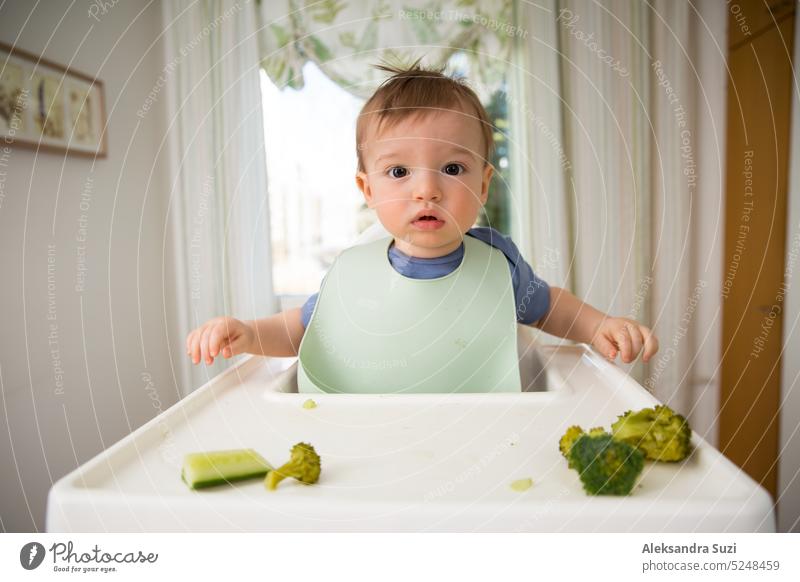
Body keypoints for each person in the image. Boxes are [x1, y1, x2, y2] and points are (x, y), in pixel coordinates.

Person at [186, 62, 658, 392]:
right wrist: (248, 332)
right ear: (366, 189)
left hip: (482, 437)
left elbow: (549, 307)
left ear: (484, 183)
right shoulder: (351, 273)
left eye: (453, 169)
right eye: (398, 172)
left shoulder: (499, 264)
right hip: (368, 438)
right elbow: (302, 331)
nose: (427, 190)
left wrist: (599, 326)